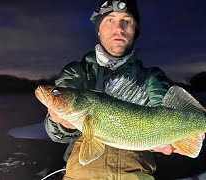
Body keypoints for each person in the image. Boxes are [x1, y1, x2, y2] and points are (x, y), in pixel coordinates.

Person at [44, 0, 178, 179]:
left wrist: (171, 140)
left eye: (127, 21)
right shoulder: (77, 72)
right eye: (110, 20)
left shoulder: (151, 78)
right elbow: (55, 133)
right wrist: (62, 124)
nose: (119, 29)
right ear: (98, 30)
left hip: (135, 174)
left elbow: (166, 116)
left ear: (134, 31)